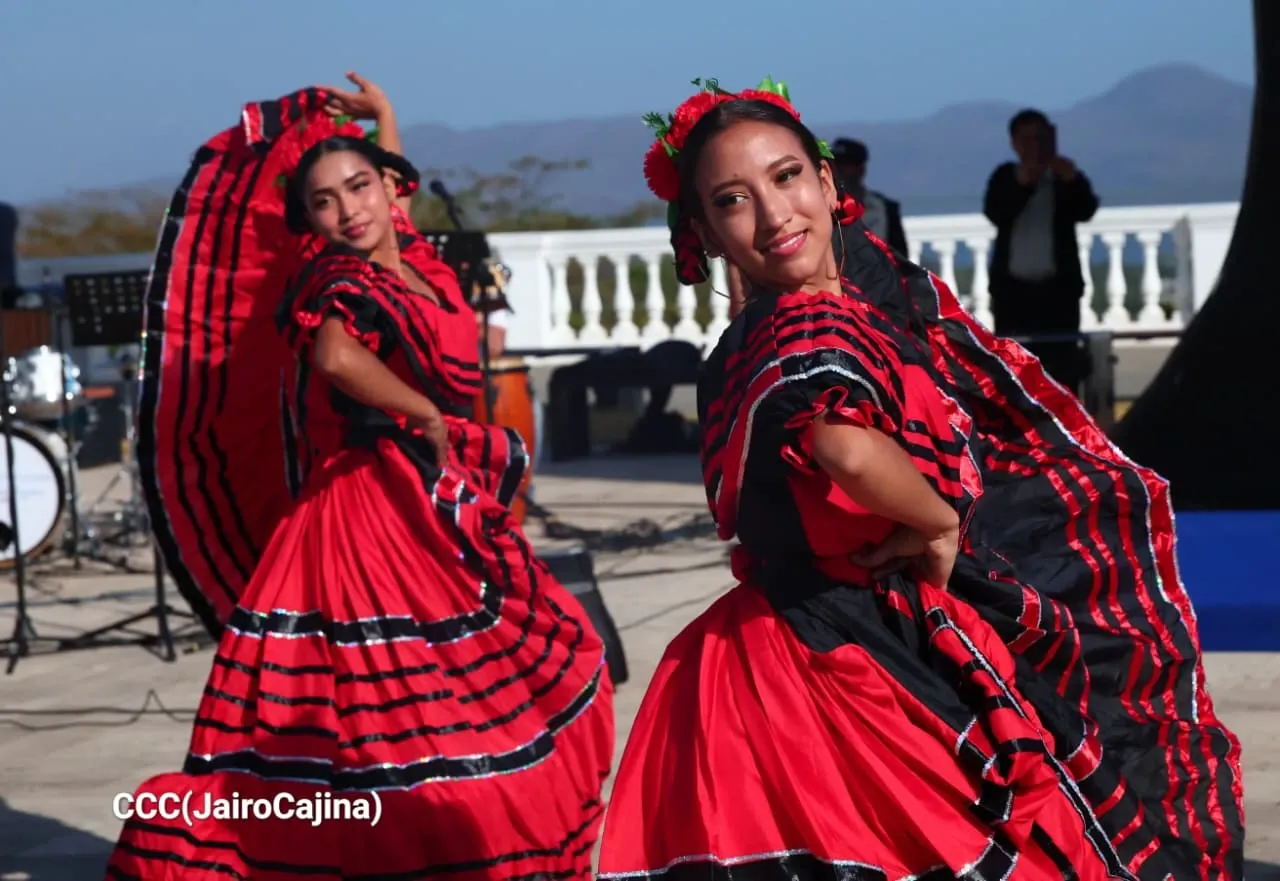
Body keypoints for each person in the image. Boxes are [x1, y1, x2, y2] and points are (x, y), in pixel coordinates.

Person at [600, 78, 1243, 881]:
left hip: (772, 652)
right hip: (844, 661)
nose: (773, 214)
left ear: (829, 183)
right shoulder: (805, 321)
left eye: (787, 177)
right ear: (703, 229)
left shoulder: (744, 341)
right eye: (734, 199)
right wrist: (936, 522)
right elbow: (845, 447)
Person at [106, 75, 614, 879]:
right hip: (366, 511)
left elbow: (386, 206)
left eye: (360, 188)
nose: (349, 211)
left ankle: (433, 834)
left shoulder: (412, 258)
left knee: (481, 681)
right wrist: (427, 414)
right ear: (306, 221)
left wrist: (386, 120)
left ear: (391, 187)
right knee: (393, 703)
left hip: (425, 500)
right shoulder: (341, 279)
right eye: (323, 202)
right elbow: (336, 355)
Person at [984, 108, 1099, 395]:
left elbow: (1086, 209)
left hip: (1057, 294)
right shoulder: (1005, 177)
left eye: (1041, 139)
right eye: (1028, 140)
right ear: (1015, 144)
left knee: (1061, 372)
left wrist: (1070, 179)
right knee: (1015, 374)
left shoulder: (1063, 179)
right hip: (1014, 296)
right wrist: (1025, 182)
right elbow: (996, 211)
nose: (1035, 147)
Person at [830, 137, 909, 255]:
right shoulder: (821, 208)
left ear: (860, 169)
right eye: (834, 164)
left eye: (845, 165)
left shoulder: (884, 209)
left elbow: (899, 256)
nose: (838, 171)